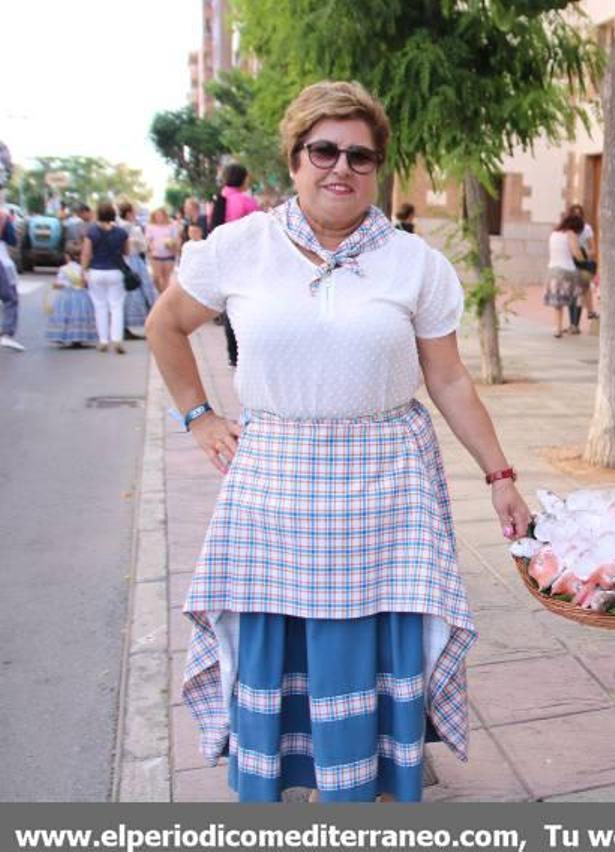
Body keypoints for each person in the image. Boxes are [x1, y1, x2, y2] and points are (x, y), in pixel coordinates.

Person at [146, 79, 531, 803]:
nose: (342, 168)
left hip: (387, 487)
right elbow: (164, 326)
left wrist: (500, 475)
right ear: (294, 159)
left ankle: (367, 780)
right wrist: (199, 417)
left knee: (373, 640)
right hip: (274, 487)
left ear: (378, 167)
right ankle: (287, 772)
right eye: (324, 150)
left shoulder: (415, 263)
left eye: (361, 155)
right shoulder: (240, 248)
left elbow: (448, 379)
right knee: (277, 635)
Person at [209, 163, 261, 368]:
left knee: (229, 306)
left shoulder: (217, 200)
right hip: (245, 260)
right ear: (243, 178)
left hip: (223, 259)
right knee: (245, 305)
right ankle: (243, 351)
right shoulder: (246, 202)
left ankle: (233, 354)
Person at [81, 200, 130, 354]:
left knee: (100, 306)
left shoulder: (92, 232)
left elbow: (86, 253)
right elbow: (127, 252)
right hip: (116, 271)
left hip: (96, 271)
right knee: (117, 306)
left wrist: (83, 271)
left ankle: (103, 340)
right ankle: (117, 339)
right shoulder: (121, 233)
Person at [543, 211, 587, 338]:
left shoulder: (554, 234)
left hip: (552, 270)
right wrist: (584, 260)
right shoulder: (570, 234)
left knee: (558, 303)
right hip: (567, 271)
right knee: (577, 297)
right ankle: (574, 324)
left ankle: (558, 328)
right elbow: (576, 253)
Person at [46, 244, 98, 347]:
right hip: (82, 296)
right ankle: (79, 338)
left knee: (66, 316)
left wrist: (57, 285)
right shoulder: (83, 269)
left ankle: (63, 335)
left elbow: (58, 283)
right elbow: (87, 283)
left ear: (67, 256)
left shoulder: (64, 269)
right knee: (79, 316)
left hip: (67, 295)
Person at [119, 201, 157, 336]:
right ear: (129, 213)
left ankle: (121, 326)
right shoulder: (134, 229)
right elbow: (144, 247)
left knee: (122, 294)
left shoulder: (116, 227)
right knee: (141, 291)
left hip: (120, 262)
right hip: (134, 261)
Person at [566, 203, 599, 330]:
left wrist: (583, 254)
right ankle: (573, 323)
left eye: (579, 214)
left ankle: (576, 323)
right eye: (574, 214)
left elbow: (593, 250)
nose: (577, 216)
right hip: (569, 263)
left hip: (582, 263)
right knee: (571, 293)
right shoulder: (567, 229)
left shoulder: (587, 229)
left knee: (580, 291)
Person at [0, 206, 22, 352]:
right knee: (10, 298)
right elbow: (12, 240)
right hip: (2, 261)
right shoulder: (3, 217)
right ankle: (7, 333)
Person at [145, 208, 178, 295]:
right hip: (155, 255)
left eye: (161, 215)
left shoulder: (171, 226)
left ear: (165, 216)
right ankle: (161, 292)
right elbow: (148, 240)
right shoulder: (150, 227)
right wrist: (150, 248)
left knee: (166, 277)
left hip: (169, 255)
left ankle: (164, 296)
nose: (159, 217)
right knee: (156, 278)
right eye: (157, 215)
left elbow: (176, 239)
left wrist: (172, 244)